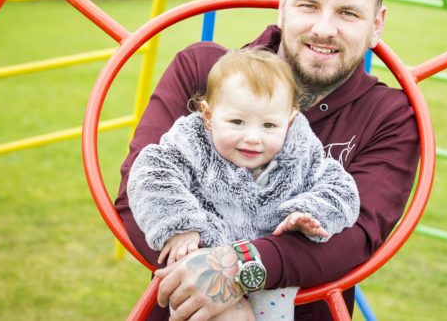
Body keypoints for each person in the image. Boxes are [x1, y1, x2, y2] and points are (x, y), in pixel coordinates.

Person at [117, 0, 420, 320]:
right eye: (308, 5)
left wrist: (235, 271)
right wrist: (216, 283)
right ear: (282, 5)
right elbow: (137, 192)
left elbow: (356, 236)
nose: (324, 29)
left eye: (348, 13)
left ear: (376, 24)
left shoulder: (390, 117)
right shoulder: (202, 72)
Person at [127, 49, 360, 320]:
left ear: (290, 120)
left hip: (269, 275)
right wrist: (180, 226)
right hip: (205, 261)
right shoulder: (193, 142)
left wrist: (309, 212)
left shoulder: (299, 150)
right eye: (237, 122)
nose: (252, 137)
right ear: (209, 116)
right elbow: (151, 172)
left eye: (269, 125)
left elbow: (340, 189)